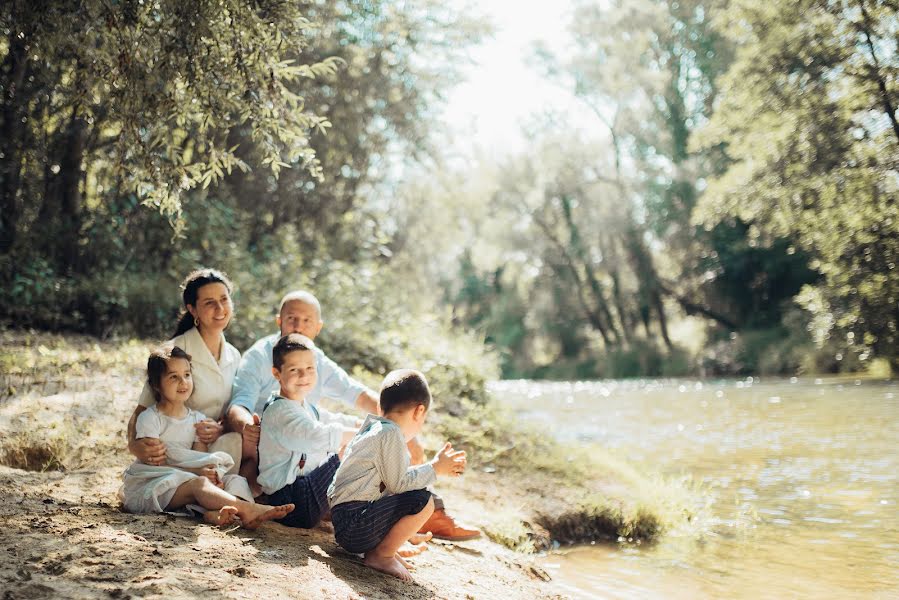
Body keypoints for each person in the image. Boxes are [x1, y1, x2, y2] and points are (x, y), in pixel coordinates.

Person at [228, 290, 481, 540]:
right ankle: (385, 521)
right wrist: (377, 433)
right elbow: (311, 430)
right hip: (283, 475)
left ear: (318, 327)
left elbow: (352, 396)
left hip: (302, 464)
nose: (299, 326)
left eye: (307, 321)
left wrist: (390, 425)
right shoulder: (264, 364)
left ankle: (402, 518)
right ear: (279, 320)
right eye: (292, 318)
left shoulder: (313, 364)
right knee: (358, 451)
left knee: (367, 445)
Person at [121, 344, 294, 529]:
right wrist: (199, 474)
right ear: (156, 384)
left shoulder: (198, 421)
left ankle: (218, 513)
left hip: (187, 482)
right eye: (174, 377)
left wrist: (212, 474)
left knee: (235, 480)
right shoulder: (151, 418)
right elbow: (156, 464)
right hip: (156, 483)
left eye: (187, 375)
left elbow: (199, 459)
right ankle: (247, 509)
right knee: (199, 484)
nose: (183, 382)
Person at [328, 369, 467, 581]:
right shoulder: (390, 433)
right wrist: (435, 468)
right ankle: (381, 555)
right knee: (424, 500)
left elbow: (392, 482)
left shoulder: (372, 430)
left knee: (413, 493)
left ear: (380, 406)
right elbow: (399, 483)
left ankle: (384, 550)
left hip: (346, 523)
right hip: (356, 524)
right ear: (419, 412)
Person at [126, 269, 244, 475]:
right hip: (175, 453)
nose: (220, 308)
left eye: (224, 299)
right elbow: (141, 411)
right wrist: (134, 446)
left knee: (239, 441)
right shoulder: (174, 352)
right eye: (209, 303)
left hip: (213, 446)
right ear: (193, 310)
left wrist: (221, 428)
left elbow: (231, 411)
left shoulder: (234, 355)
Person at [256, 333, 360, 528]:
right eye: (295, 369)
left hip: (304, 492)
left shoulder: (303, 406)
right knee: (346, 451)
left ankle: (376, 520)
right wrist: (367, 434)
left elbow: (331, 418)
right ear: (276, 373)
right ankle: (367, 527)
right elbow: (316, 434)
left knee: (352, 451)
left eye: (310, 368)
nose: (304, 376)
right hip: (291, 500)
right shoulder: (280, 411)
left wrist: (363, 424)